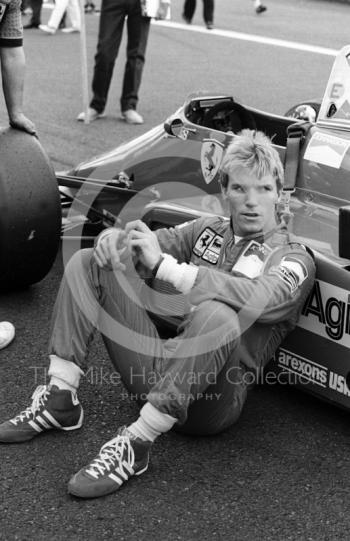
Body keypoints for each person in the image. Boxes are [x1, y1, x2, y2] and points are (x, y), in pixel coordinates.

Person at [0, 130, 315, 499]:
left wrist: (167, 268)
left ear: (280, 193)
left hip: (211, 405)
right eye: (240, 189)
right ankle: (59, 398)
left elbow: (263, 298)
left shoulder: (293, 257)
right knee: (90, 262)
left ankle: (136, 443)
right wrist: (114, 241)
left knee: (219, 314)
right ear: (224, 191)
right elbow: (145, 245)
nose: (251, 202)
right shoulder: (206, 231)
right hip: (157, 375)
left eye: (263, 189)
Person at [77, 0, 170, 124]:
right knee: (105, 52)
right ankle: (97, 104)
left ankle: (129, 105)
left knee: (136, 54)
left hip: (142, 3)